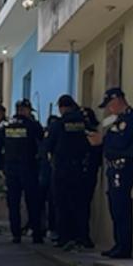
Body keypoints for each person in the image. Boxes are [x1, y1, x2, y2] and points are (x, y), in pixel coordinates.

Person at [89, 87, 133, 259]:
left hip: (123, 167)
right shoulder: (118, 120)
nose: (109, 109)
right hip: (114, 168)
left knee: (122, 207)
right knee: (115, 207)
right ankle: (118, 244)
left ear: (117, 100)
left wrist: (103, 142)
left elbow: (121, 143)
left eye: (110, 105)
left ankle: (124, 247)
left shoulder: (131, 118)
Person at [0, 100, 44, 244]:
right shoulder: (32, 125)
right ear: (25, 110)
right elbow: (42, 140)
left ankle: (16, 235)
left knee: (13, 203)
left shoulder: (4, 126)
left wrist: (0, 167)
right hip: (29, 168)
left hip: (11, 169)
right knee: (33, 202)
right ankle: (36, 235)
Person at [47, 94, 92, 249]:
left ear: (61, 108)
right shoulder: (83, 122)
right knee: (81, 203)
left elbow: (48, 145)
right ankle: (83, 237)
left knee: (61, 203)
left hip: (62, 168)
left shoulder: (58, 124)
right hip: (80, 168)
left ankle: (64, 237)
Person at [80, 106, 103, 248]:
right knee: (83, 206)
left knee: (83, 206)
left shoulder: (94, 135)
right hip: (85, 173)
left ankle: (82, 236)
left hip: (86, 173)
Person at [38, 114, 59, 242]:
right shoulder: (49, 140)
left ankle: (48, 228)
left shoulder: (50, 139)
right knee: (48, 203)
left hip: (48, 175)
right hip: (47, 175)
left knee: (51, 203)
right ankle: (46, 228)